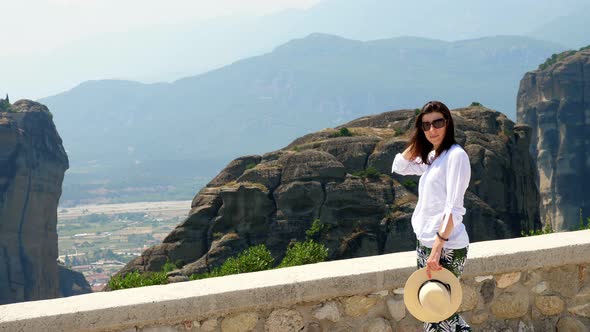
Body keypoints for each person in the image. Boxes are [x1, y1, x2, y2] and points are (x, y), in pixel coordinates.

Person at [391, 101, 471, 331]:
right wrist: (419, 138)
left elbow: (454, 209)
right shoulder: (434, 156)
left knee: (442, 312)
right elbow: (400, 165)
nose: (432, 130)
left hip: (446, 245)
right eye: (426, 125)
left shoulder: (456, 156)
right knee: (429, 309)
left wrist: (437, 248)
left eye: (438, 123)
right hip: (425, 242)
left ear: (448, 123)